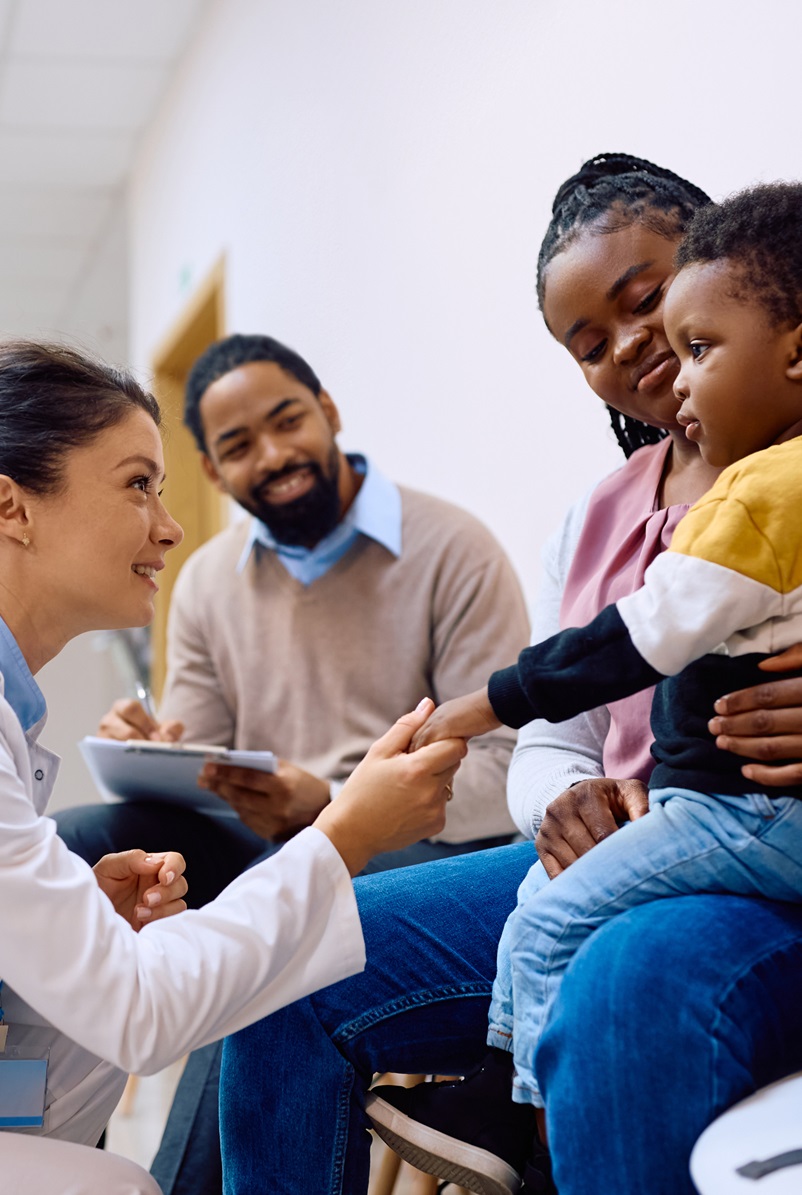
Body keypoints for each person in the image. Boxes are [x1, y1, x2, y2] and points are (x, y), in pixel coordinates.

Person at [217, 156, 802, 1195]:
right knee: (284, 954)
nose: (629, 344)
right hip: (605, 847)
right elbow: (548, 735)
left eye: (650, 300)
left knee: (625, 982)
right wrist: (562, 802)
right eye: (588, 344)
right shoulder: (595, 520)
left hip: (751, 849)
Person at [0, 340, 465, 1194]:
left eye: (286, 420)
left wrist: (68, 941)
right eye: (139, 484)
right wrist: (337, 826)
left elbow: (34, 1095)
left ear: (328, 411)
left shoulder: (450, 546)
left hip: (397, 827)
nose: (169, 527)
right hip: (272, 829)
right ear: (12, 508)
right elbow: (130, 1015)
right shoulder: (212, 579)